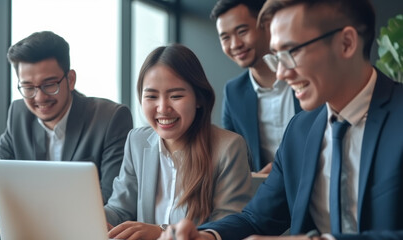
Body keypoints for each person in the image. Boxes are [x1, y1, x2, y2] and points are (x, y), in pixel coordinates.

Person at [160, 0, 403, 239]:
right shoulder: (300, 129)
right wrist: (208, 236)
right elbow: (256, 219)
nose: (281, 74)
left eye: (292, 52)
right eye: (277, 56)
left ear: (346, 43)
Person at [104, 44, 252, 240]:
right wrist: (93, 218)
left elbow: (227, 226)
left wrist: (161, 232)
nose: (163, 108)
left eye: (176, 96)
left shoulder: (229, 147)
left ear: (199, 98)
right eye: (151, 96)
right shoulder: (137, 141)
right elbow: (119, 209)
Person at [0, 31, 133, 204]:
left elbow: (112, 199)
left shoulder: (110, 118)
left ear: (71, 79)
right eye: (28, 87)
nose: (39, 97)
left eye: (49, 85)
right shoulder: (18, 113)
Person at [210, 0, 301, 173]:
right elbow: (231, 160)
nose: (235, 44)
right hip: (265, 192)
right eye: (225, 38)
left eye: (242, 31)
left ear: (267, 25)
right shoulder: (233, 92)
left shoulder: (305, 75)